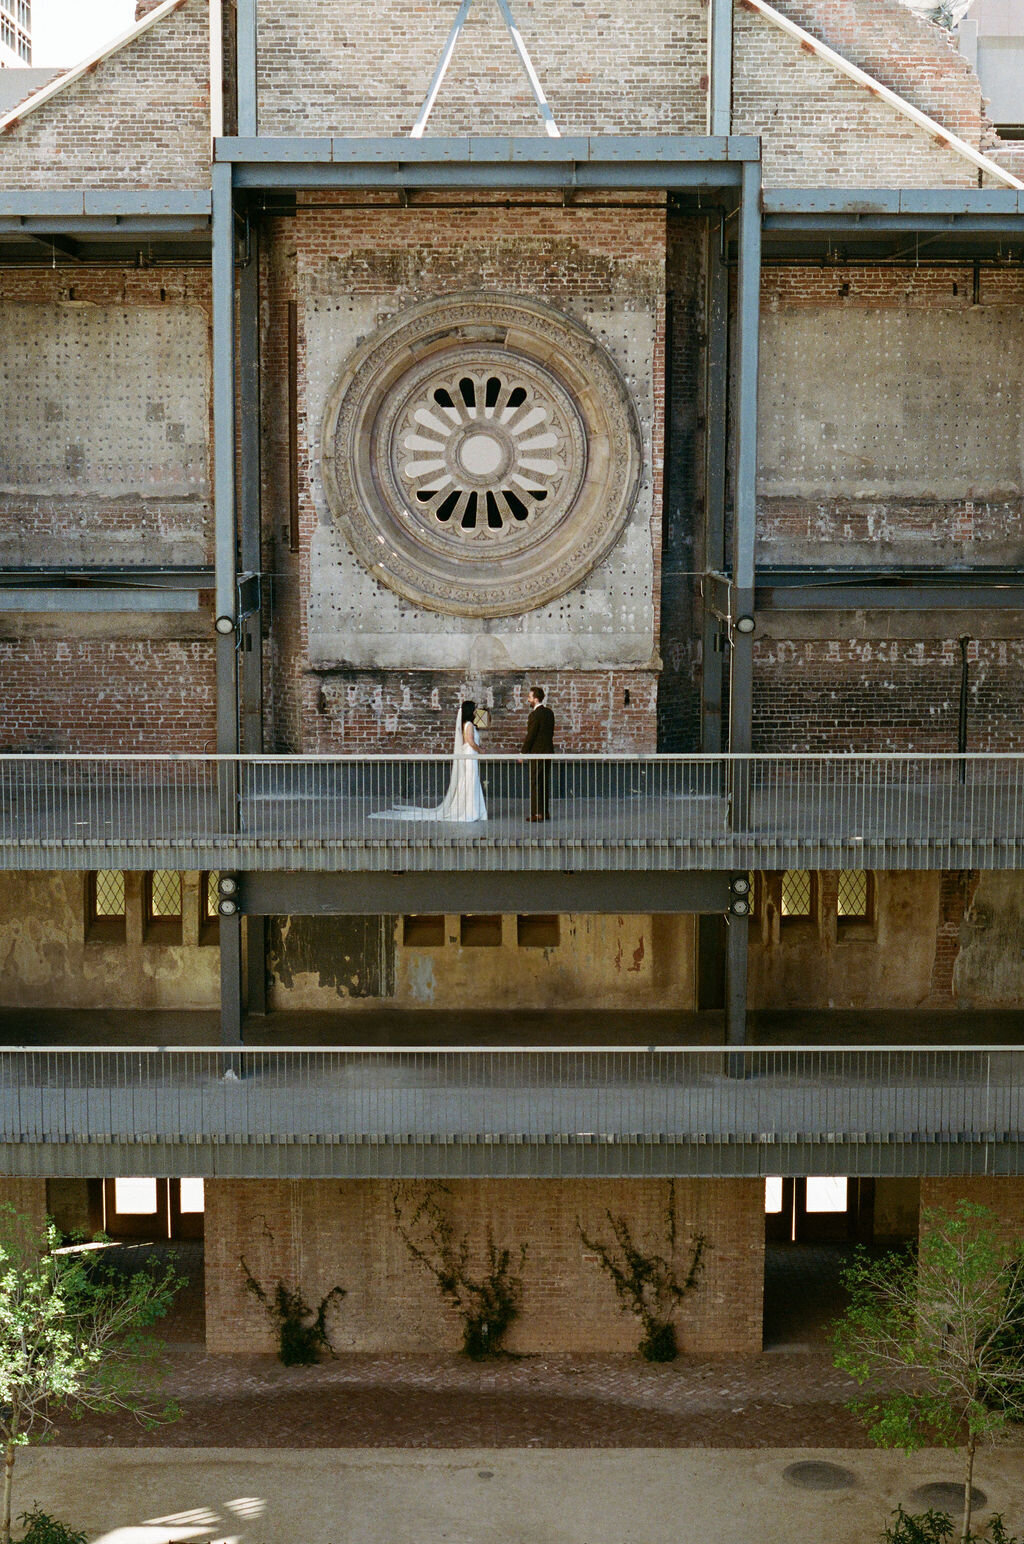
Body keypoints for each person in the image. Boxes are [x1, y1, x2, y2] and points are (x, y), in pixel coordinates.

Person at [370, 700, 487, 823]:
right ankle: (469, 811)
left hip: (469, 756)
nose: (475, 711)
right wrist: (481, 750)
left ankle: (471, 809)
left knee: (469, 781)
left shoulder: (466, 724)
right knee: (470, 780)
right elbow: (470, 741)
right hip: (470, 757)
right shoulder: (468, 725)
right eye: (474, 709)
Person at [522, 686, 555, 821]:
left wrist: (523, 753)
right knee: (544, 782)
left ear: (536, 699)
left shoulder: (534, 715)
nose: (528, 700)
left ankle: (537, 813)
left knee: (536, 782)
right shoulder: (549, 713)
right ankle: (545, 811)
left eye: (530, 697)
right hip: (548, 751)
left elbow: (531, 736)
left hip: (536, 753)